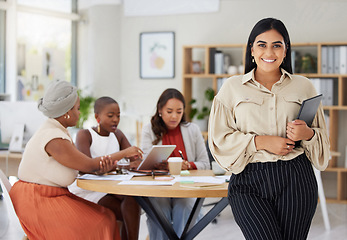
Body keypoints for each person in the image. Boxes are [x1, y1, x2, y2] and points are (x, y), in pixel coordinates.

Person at [208, 17, 330, 240]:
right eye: (262, 45)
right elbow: (219, 139)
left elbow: (322, 142)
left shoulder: (304, 86)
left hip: (296, 178)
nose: (269, 51)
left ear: (285, 51)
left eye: (277, 45)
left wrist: (307, 134)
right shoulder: (231, 88)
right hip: (248, 180)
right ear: (252, 50)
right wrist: (260, 141)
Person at [9, 80, 142, 240]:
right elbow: (89, 165)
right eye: (77, 109)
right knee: (102, 220)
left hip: (51, 196)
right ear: (66, 111)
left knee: (107, 215)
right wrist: (124, 153)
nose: (79, 113)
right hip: (38, 201)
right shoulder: (54, 138)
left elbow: (85, 166)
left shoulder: (56, 130)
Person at [141, 88, 210, 239]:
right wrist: (158, 165)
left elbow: (205, 164)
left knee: (185, 206)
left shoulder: (193, 130)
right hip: (160, 187)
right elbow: (144, 164)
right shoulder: (149, 130)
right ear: (160, 110)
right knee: (159, 208)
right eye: (169, 111)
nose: (174, 116)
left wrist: (189, 165)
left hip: (185, 186)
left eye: (179, 112)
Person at [69, 96, 141, 240]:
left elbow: (135, 158)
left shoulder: (118, 135)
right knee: (127, 211)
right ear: (97, 117)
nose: (115, 119)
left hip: (111, 187)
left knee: (133, 199)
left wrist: (135, 161)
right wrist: (124, 155)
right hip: (89, 190)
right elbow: (86, 167)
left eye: (118, 116)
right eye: (110, 116)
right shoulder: (85, 135)